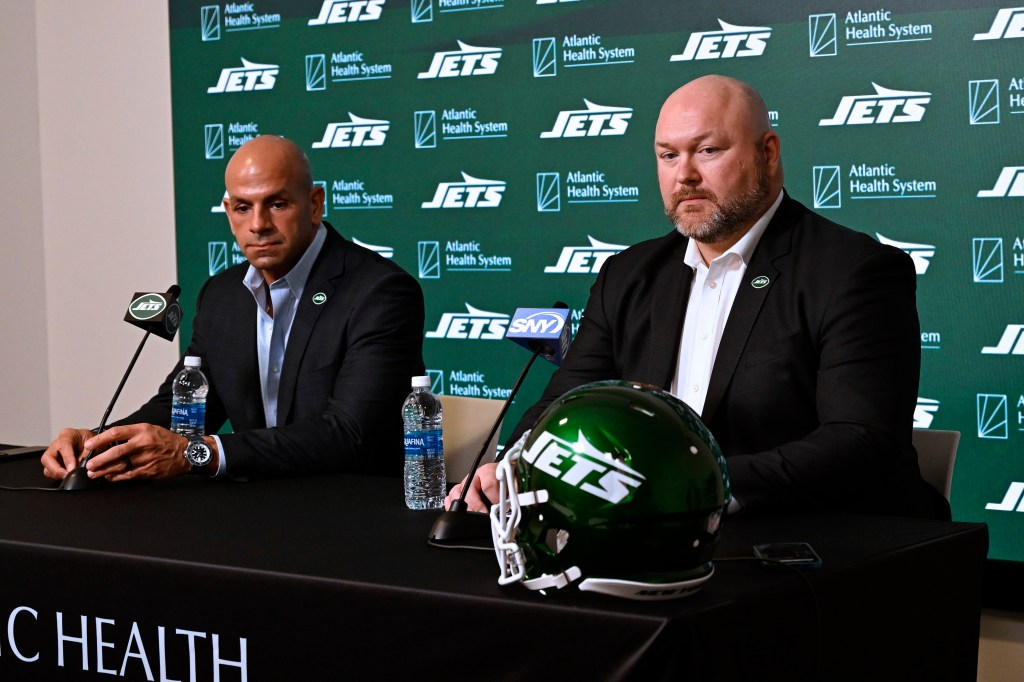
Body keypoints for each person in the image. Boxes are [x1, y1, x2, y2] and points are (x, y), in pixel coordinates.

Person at [448, 75, 949, 520]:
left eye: (707, 151)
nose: (684, 174)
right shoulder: (629, 274)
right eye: (668, 155)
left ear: (767, 153)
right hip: (653, 536)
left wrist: (690, 489)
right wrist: (509, 466)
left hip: (815, 544)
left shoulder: (853, 271)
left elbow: (860, 442)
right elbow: (565, 402)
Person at [42, 135, 425, 482]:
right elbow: (184, 411)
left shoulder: (380, 292)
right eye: (243, 208)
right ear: (228, 213)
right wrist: (98, 443)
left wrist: (199, 453)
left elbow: (350, 434)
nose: (258, 224)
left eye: (277, 204)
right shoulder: (222, 294)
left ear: (314, 204)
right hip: (253, 510)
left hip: (350, 513)